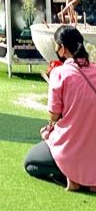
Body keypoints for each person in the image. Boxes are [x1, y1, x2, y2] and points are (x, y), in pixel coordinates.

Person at [24, 25, 96, 191]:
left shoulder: (60, 73)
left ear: (63, 49)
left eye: (56, 46)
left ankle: (69, 177)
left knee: (30, 162)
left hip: (71, 143)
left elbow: (54, 115)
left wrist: (48, 131)